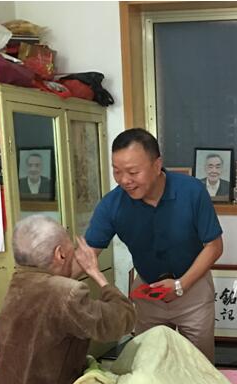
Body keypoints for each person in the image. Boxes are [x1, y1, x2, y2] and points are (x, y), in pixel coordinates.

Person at [0, 215, 136, 384]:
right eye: (71, 248)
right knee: (149, 377)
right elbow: (123, 320)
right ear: (60, 254)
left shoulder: (19, 281)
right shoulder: (66, 293)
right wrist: (96, 273)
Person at [85, 128, 223, 362]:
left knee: (199, 366)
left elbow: (214, 246)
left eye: (133, 172)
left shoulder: (191, 190)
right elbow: (87, 255)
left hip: (192, 287)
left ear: (157, 165)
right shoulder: (112, 204)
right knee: (150, 364)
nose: (124, 180)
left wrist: (180, 286)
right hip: (148, 292)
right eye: (117, 171)